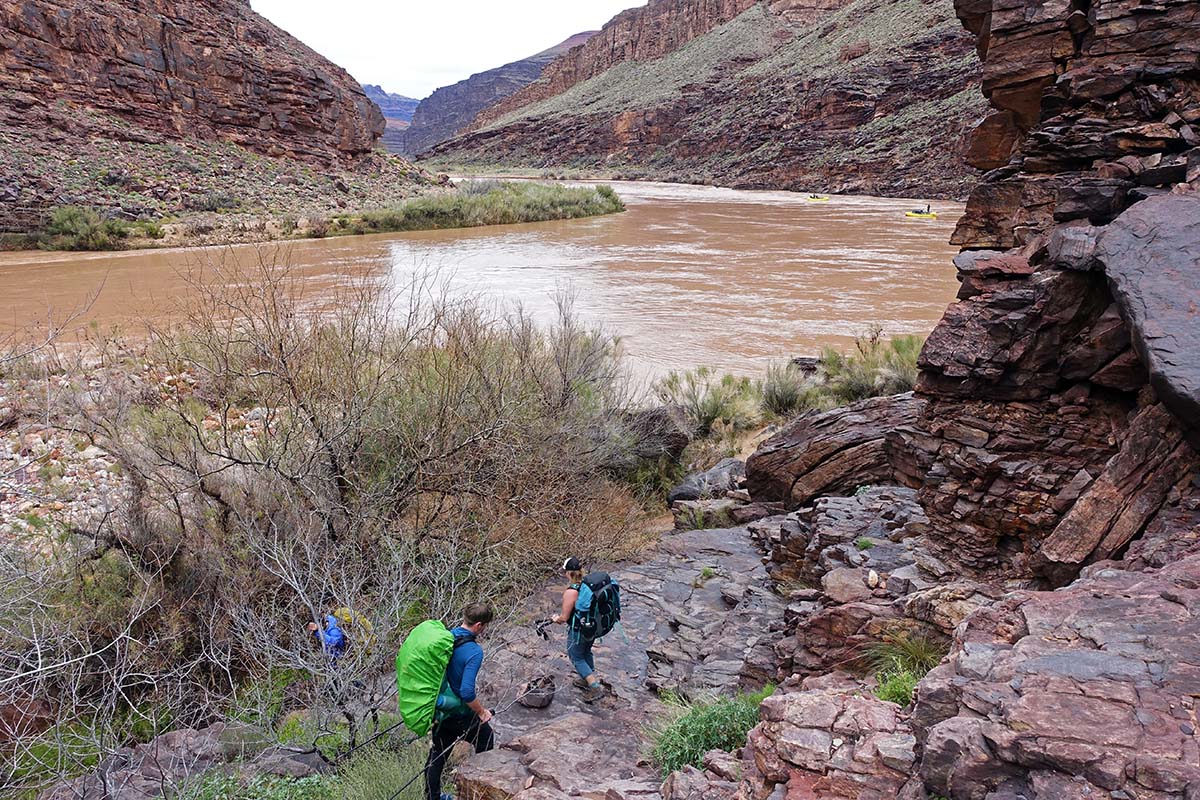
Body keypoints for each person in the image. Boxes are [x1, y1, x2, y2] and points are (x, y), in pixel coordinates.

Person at [425, 603, 496, 800]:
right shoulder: (474, 651)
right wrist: (482, 712)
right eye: (485, 626)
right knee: (486, 737)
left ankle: (432, 797)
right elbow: (466, 692)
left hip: (439, 708)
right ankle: (476, 789)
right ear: (479, 625)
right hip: (459, 712)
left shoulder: (446, 638)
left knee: (438, 753)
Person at [551, 557, 606, 703]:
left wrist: (556, 618)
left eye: (565, 572)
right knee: (586, 651)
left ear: (568, 573)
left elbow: (564, 617)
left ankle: (594, 686)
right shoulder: (588, 584)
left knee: (576, 656)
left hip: (579, 629)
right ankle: (586, 678)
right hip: (592, 626)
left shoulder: (571, 592)